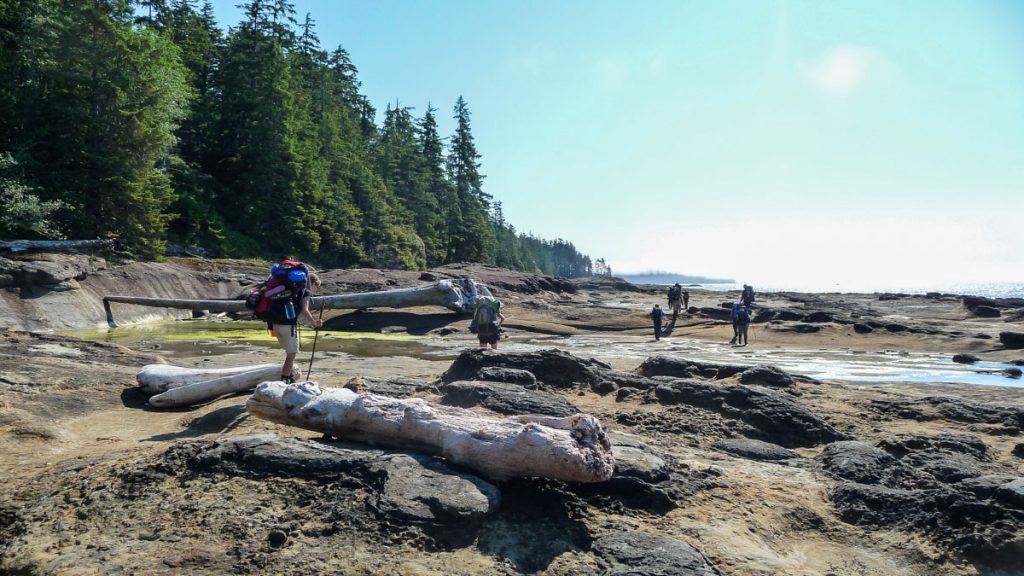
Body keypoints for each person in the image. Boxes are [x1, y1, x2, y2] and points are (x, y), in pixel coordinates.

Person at [271, 269, 322, 384]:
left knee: (289, 352)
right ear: (312, 283)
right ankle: (285, 380)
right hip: (287, 325)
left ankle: (287, 376)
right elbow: (305, 310)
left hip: (275, 323)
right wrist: (314, 323)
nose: (315, 290)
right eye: (316, 287)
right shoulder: (305, 292)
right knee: (291, 354)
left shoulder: (291, 289)